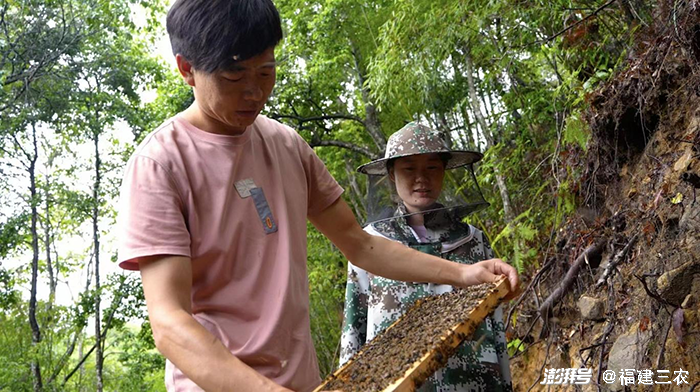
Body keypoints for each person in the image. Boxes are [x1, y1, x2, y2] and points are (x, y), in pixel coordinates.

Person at [115, 1, 520, 391]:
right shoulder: (161, 165)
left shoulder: (286, 145)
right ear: (187, 68)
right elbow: (170, 322)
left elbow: (360, 245)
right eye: (235, 78)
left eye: (266, 72)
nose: (255, 93)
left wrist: (462, 274)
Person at [340, 122, 514, 391]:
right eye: (409, 168)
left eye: (432, 167)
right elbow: (354, 330)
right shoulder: (369, 245)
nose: (421, 178)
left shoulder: (474, 239)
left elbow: (494, 320)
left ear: (444, 171)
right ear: (390, 174)